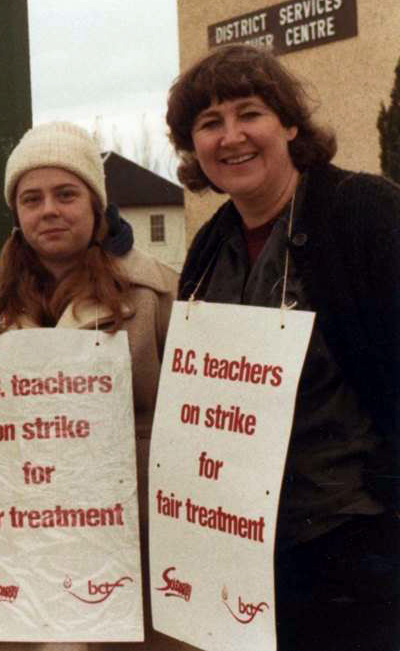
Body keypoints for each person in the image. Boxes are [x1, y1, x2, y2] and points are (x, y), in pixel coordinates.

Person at [0, 122, 197, 651]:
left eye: (66, 194)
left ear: (96, 204)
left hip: (135, 541)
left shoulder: (156, 294)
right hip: (18, 543)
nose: (49, 210)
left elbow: (190, 420)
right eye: (32, 198)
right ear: (17, 214)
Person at [166, 43, 400, 651]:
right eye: (209, 123)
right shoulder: (209, 249)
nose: (231, 136)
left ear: (290, 123)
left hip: (356, 542)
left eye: (250, 113)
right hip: (247, 546)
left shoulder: (362, 211)